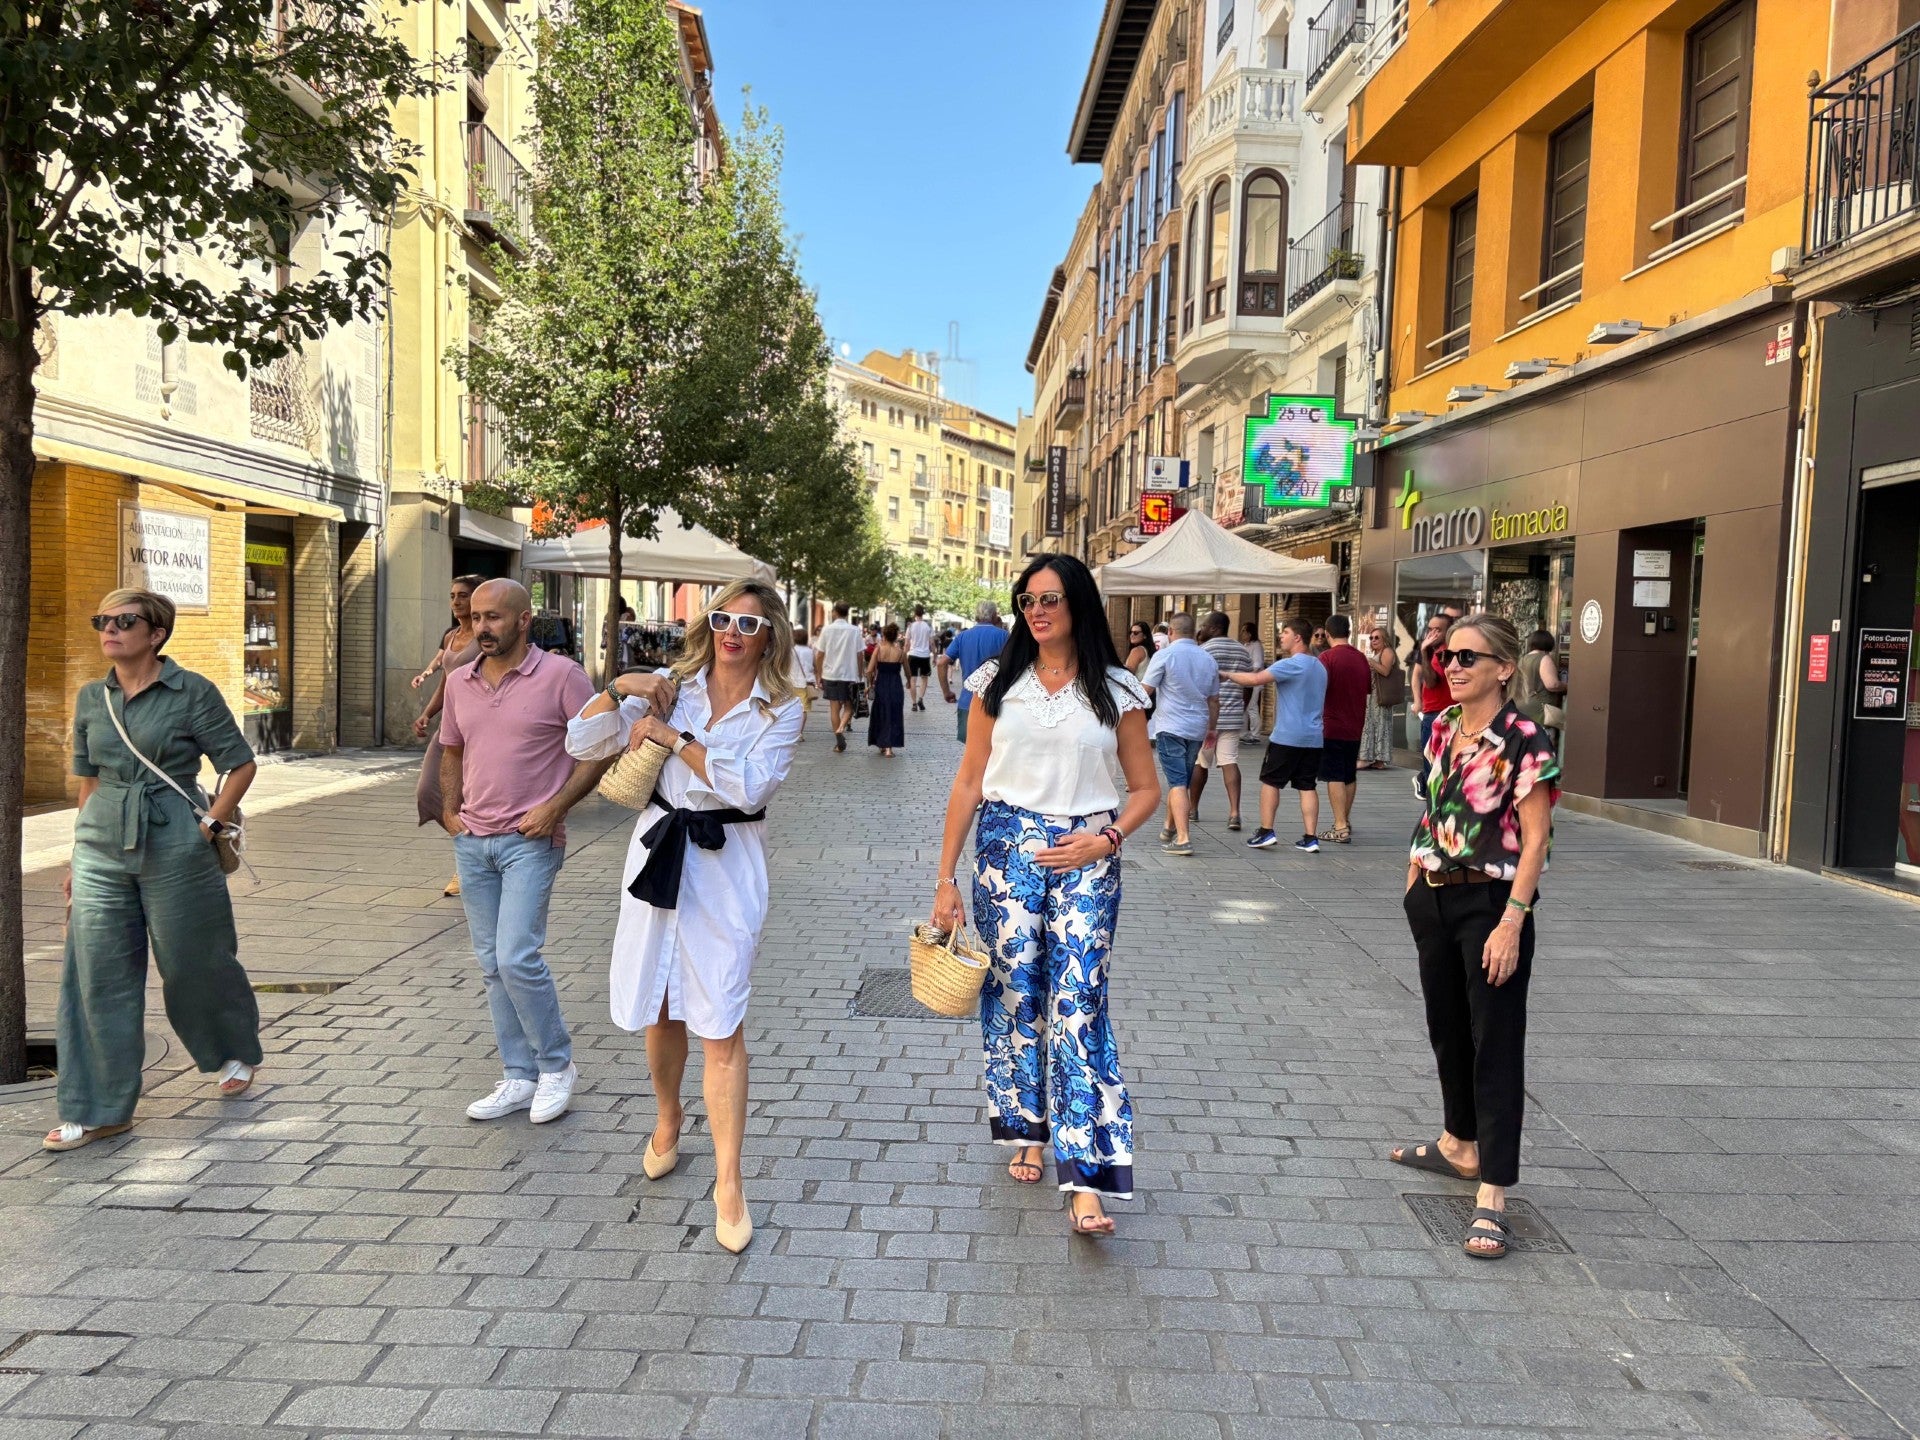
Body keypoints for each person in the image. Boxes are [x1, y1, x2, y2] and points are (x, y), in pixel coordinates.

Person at [567, 580, 803, 1256]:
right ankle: (668, 1118)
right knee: (662, 1005)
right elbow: (583, 742)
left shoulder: (781, 708)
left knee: (721, 1020)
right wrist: (620, 689)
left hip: (727, 868)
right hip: (657, 851)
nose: (732, 631)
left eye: (749, 623)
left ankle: (730, 1182)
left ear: (769, 634)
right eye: (723, 617)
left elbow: (748, 786)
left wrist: (670, 737)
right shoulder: (674, 683)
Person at [931, 554, 1159, 1238]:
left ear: (1079, 604)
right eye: (1026, 599)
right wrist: (944, 881)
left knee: (1078, 1005)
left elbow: (1147, 788)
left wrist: (1109, 837)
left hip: (1089, 855)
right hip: (1005, 853)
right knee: (1015, 997)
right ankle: (1027, 1128)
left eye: (1050, 597)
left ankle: (1085, 1175)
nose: (1036, 609)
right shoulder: (997, 684)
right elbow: (970, 781)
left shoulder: (1118, 690)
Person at [47, 588, 262, 1151]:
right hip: (101, 843)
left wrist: (211, 825)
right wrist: (77, 857)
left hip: (175, 839)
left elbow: (239, 763)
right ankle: (98, 1107)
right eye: (103, 620)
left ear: (156, 632)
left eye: (124, 620)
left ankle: (229, 1049)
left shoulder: (191, 691)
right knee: (94, 973)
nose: (109, 629)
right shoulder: (93, 698)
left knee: (193, 960)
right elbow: (89, 782)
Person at [1389, 614, 1558, 1261]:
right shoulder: (1439, 730)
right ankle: (1458, 1141)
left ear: (1503, 668)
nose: (1450, 667)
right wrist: (1412, 877)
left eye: (1465, 657)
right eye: (1443, 657)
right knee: (1447, 1027)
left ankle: (1493, 1191)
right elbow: (1432, 809)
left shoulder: (1523, 738)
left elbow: (1537, 837)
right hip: (1434, 894)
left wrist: (1512, 921)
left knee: (1495, 1041)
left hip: (1492, 902)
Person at [440, 579, 602, 1129]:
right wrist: (449, 810)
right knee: (491, 966)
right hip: (473, 841)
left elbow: (599, 749)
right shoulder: (460, 681)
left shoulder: (563, 676)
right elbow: (451, 748)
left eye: (494, 618)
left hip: (531, 841)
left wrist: (556, 808)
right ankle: (518, 1074)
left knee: (516, 957)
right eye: (476, 617)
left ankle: (556, 1065)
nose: (481, 627)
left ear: (524, 620)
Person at [1223, 617, 1326, 854]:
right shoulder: (1320, 666)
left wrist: (1227, 674)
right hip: (1314, 737)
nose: (1281, 636)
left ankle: (1266, 831)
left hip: (1287, 736)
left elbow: (1255, 679)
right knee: (1307, 786)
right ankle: (1311, 838)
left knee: (1271, 782)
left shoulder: (1291, 664)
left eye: (1286, 632)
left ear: (1298, 637)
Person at [413, 574, 486, 898]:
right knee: (429, 791)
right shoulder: (451, 636)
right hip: (450, 727)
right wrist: (428, 713)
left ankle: (467, 865)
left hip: (479, 727)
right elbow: (447, 682)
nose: (456, 601)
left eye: (463, 595)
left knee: (471, 798)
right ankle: (472, 850)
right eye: (452, 595)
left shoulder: (486, 636)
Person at [1141, 613, 1219, 858]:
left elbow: (1145, 690)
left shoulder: (1164, 655)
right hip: (1197, 727)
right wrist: (1212, 729)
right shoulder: (1208, 659)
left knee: (1177, 782)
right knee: (1182, 779)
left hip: (1171, 726)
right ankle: (1168, 827)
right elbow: (1214, 700)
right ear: (1194, 632)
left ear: (1171, 633)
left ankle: (1183, 838)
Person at [1190, 611, 1253, 830]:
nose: (1202, 630)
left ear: (1215, 628)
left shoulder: (1204, 651)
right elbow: (1248, 685)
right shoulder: (1242, 651)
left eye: (1205, 626)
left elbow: (1197, 685)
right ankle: (1234, 813)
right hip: (1233, 717)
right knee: (1229, 761)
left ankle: (1192, 808)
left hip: (1209, 721)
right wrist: (1241, 708)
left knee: (1201, 762)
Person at [1316, 616, 1374, 845]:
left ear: (1328, 634)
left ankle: (1340, 827)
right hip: (1355, 723)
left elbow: (1318, 689)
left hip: (1331, 723)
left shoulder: (1326, 658)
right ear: (1348, 632)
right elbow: (1366, 691)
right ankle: (1345, 820)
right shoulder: (1361, 658)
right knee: (1349, 773)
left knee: (1334, 775)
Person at [938, 600, 1009, 743]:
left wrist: (947, 691)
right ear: (995, 615)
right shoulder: (1004, 636)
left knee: (971, 752)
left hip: (968, 702)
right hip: (996, 703)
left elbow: (941, 663)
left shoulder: (962, 637)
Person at [817, 603, 864, 754]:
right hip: (849, 674)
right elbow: (860, 654)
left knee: (834, 708)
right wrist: (860, 673)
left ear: (835, 612)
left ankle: (838, 740)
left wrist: (819, 674)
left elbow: (819, 654)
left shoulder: (827, 630)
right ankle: (841, 728)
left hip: (830, 674)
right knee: (849, 706)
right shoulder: (855, 630)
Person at [1414, 607, 1461, 753]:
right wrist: (1418, 701)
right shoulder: (1435, 651)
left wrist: (1425, 653)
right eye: (1430, 629)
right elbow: (1416, 675)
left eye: (1438, 630)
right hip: (1438, 710)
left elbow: (1431, 682)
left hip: (1441, 711)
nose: (1432, 634)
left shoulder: (1445, 652)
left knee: (1433, 759)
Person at [1514, 629, 1566, 747]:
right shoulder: (1544, 658)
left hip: (1523, 707)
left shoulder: (1523, 659)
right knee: (1543, 745)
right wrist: (1568, 686)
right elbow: (1552, 684)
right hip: (1540, 710)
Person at [1361, 624, 1403, 770]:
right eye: (1371, 638)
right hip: (1372, 695)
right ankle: (1376, 759)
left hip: (1380, 695)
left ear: (1384, 638)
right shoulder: (1376, 654)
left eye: (1377, 637)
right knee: (1372, 724)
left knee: (1380, 725)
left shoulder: (1388, 651)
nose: (1373, 640)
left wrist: (1370, 661)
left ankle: (1375, 758)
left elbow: (1385, 671)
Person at [866, 622, 907, 757]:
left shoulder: (879, 649)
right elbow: (908, 672)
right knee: (894, 714)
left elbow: (870, 670)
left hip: (881, 684)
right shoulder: (901, 652)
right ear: (895, 636)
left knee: (882, 713)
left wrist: (871, 684)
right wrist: (909, 683)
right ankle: (889, 748)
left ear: (884, 635)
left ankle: (884, 744)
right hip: (895, 684)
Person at [905, 605, 935, 712]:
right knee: (924, 678)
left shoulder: (910, 627)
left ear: (914, 614)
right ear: (923, 613)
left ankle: (913, 704)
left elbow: (907, 643)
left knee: (912, 679)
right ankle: (920, 698)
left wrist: (904, 656)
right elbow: (932, 643)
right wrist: (935, 656)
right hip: (925, 655)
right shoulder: (928, 626)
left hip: (913, 654)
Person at [791, 629, 818, 741]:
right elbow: (815, 665)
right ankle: (799, 733)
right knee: (803, 709)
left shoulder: (791, 651)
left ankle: (791, 731)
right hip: (806, 683)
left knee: (791, 708)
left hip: (791, 682)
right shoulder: (810, 651)